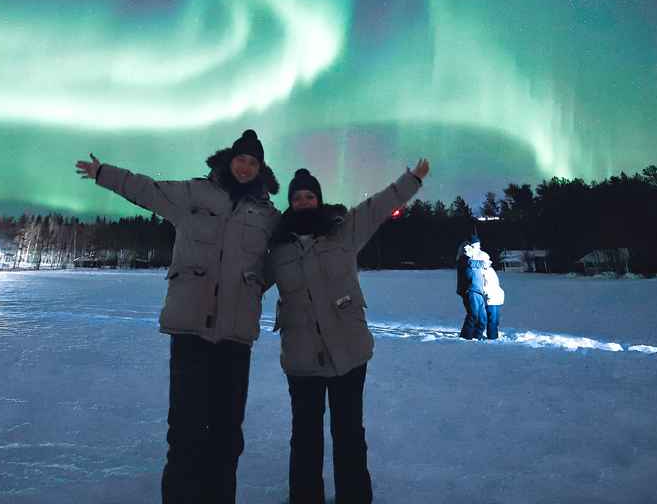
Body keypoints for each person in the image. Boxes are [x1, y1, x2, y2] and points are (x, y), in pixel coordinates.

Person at [75, 129, 280, 504]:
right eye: (241, 159)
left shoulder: (267, 215)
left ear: (260, 168)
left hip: (235, 338)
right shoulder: (194, 194)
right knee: (185, 433)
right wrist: (105, 173)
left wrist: (248, 289)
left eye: (253, 162)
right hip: (191, 331)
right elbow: (148, 190)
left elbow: (280, 262)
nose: (246, 167)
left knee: (227, 438)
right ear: (229, 159)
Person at [266, 158, 430, 504]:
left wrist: (412, 180)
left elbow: (378, 206)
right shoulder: (277, 247)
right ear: (290, 203)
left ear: (319, 200)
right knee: (306, 439)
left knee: (349, 435)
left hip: (349, 352)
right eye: (298, 198)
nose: (304, 203)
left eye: (310, 197)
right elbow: (244, 275)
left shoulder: (343, 229)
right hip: (301, 356)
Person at [456, 234, 487, 340]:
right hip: (470, 291)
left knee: (483, 318)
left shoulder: (473, 259)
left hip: (479, 291)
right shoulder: (464, 259)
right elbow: (474, 263)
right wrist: (483, 262)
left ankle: (477, 336)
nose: (479, 249)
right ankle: (465, 337)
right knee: (473, 315)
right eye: (476, 246)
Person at [478, 246, 506, 340]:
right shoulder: (481, 271)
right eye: (486, 259)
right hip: (490, 298)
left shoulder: (490, 269)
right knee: (492, 320)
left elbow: (494, 283)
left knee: (496, 320)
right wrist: (487, 293)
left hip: (496, 297)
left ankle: (494, 335)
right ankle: (492, 338)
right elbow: (482, 285)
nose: (488, 261)